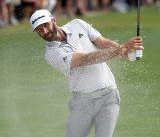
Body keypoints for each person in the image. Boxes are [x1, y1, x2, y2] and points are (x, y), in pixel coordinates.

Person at [29, 9, 144, 137]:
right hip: (82, 103)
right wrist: (121, 48)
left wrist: (125, 52)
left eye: (45, 25)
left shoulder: (77, 24)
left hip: (109, 97)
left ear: (54, 20)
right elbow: (86, 59)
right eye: (39, 30)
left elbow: (103, 42)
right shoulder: (51, 54)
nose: (44, 32)